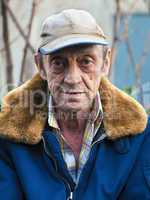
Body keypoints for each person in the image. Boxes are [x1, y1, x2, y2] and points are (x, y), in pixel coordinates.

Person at [0, 9, 149, 200]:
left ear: (105, 63)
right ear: (41, 66)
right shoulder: (7, 136)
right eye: (59, 63)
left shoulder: (140, 136)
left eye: (86, 62)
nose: (72, 78)